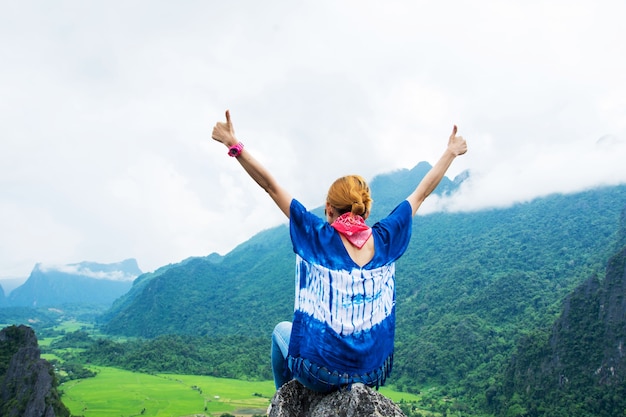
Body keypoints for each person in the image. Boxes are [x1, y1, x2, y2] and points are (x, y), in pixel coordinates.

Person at [211, 109, 467, 393]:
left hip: (320, 372)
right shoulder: (385, 239)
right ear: (366, 209)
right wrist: (451, 152)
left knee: (279, 333)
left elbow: (270, 186)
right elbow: (421, 192)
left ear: (329, 209)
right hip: (373, 374)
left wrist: (233, 144)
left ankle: (284, 402)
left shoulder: (319, 238)